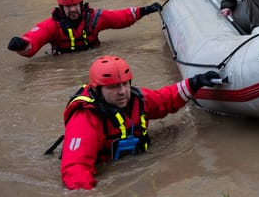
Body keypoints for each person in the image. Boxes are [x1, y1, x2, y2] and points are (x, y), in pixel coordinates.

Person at [60, 55, 222, 190]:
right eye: (114, 87)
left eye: (125, 84)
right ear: (98, 90)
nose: (122, 92)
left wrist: (195, 83)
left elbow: (166, 99)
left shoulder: (138, 99)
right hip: (107, 168)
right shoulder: (85, 118)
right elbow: (75, 168)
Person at [7, 0, 161, 57]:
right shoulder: (51, 26)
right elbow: (32, 42)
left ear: (81, 5)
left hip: (93, 55)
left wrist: (146, 10)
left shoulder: (95, 18)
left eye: (75, 5)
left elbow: (121, 18)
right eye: (68, 7)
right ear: (61, 8)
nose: (73, 10)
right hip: (63, 62)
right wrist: (21, 44)